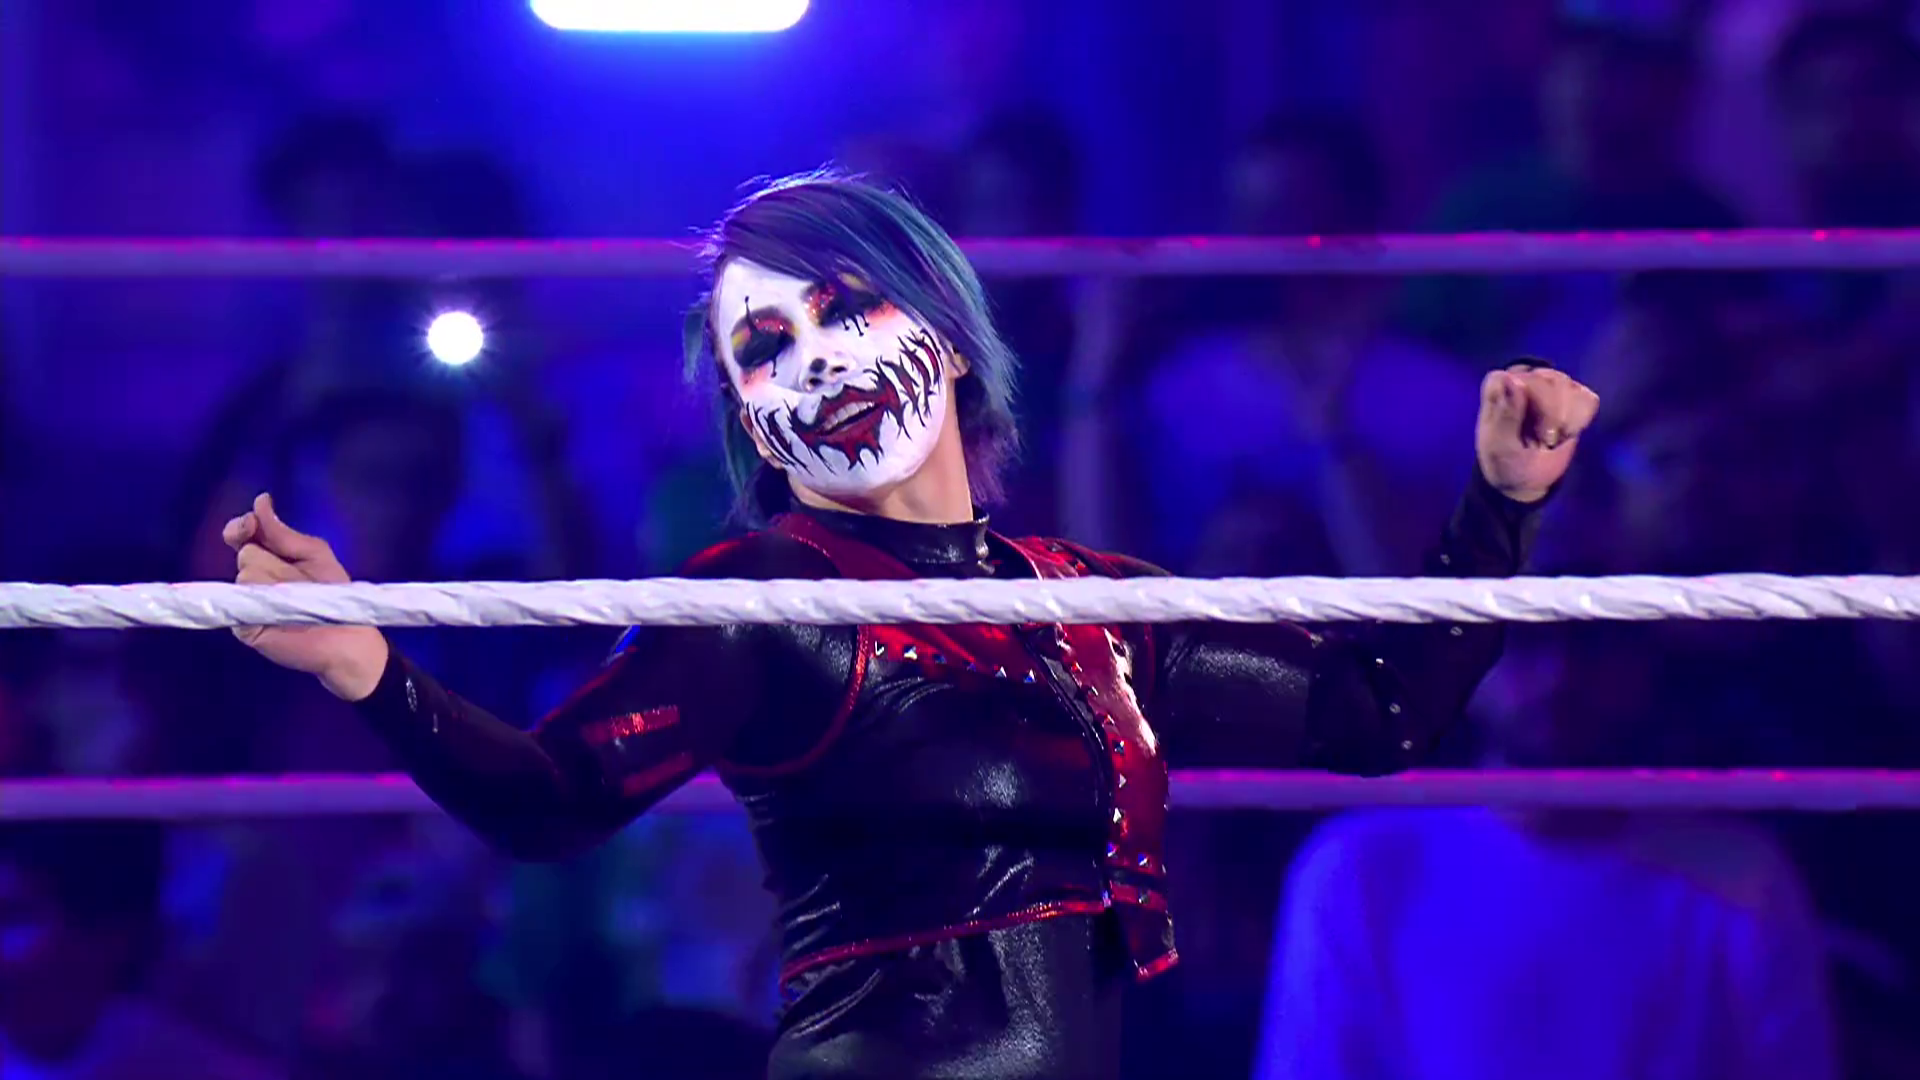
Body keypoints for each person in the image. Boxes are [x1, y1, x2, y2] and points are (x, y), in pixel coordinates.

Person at [225, 172, 1598, 1080]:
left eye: (842, 308)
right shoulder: (765, 599)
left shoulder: (1089, 601)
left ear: (941, 331)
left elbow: (1377, 714)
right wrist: (367, 666)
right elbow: (551, 800)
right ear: (753, 418)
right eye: (766, 348)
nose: (815, 359)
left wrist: (1500, 505)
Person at [1256, 624, 1838, 1080]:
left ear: (1641, 662)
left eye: (1591, 639)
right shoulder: (1360, 868)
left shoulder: (1739, 877)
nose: (1559, 675)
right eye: (1527, 638)